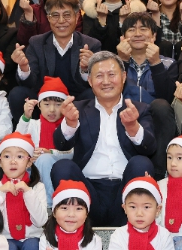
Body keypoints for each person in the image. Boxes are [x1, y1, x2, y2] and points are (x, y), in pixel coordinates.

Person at [50, 51, 156, 227]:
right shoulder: (78, 109)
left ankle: (132, 228)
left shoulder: (139, 109)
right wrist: (70, 123)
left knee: (141, 163)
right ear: (90, 81)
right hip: (86, 191)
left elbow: (150, 147)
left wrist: (132, 127)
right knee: (63, 167)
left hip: (126, 192)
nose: (106, 81)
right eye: (99, 76)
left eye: (112, 74)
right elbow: (61, 144)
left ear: (123, 77)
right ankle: (76, 228)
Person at [9, 0, 100, 128]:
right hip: (44, 103)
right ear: (48, 18)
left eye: (67, 15)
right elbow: (29, 83)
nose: (61, 21)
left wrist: (86, 69)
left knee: (93, 94)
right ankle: (28, 134)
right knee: (17, 94)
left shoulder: (91, 45)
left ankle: (83, 136)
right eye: (55, 15)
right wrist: (23, 67)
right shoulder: (36, 43)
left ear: (76, 17)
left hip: (75, 103)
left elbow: (92, 85)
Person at [118, 12, 178, 180]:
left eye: (143, 29)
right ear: (123, 38)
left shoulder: (168, 63)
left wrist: (156, 63)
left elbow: (167, 98)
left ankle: (159, 173)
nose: (137, 34)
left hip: (154, 120)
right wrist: (122, 62)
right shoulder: (113, 63)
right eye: (131, 29)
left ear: (154, 36)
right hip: (123, 118)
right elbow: (112, 94)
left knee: (161, 106)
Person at [15, 77, 74, 207]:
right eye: (47, 104)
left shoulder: (68, 126)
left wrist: (51, 152)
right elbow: (17, 141)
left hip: (58, 169)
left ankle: (49, 205)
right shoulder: (33, 124)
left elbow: (72, 153)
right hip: (32, 169)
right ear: (39, 105)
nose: (52, 110)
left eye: (58, 105)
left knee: (45, 159)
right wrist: (25, 117)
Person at [82, 0, 146, 53]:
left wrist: (123, 22)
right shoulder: (91, 11)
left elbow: (135, 44)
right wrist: (101, 22)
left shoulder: (136, 13)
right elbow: (88, 45)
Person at [16, 0, 83, 47]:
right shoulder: (33, 10)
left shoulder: (74, 10)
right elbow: (25, 42)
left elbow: (78, 39)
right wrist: (28, 14)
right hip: (39, 53)